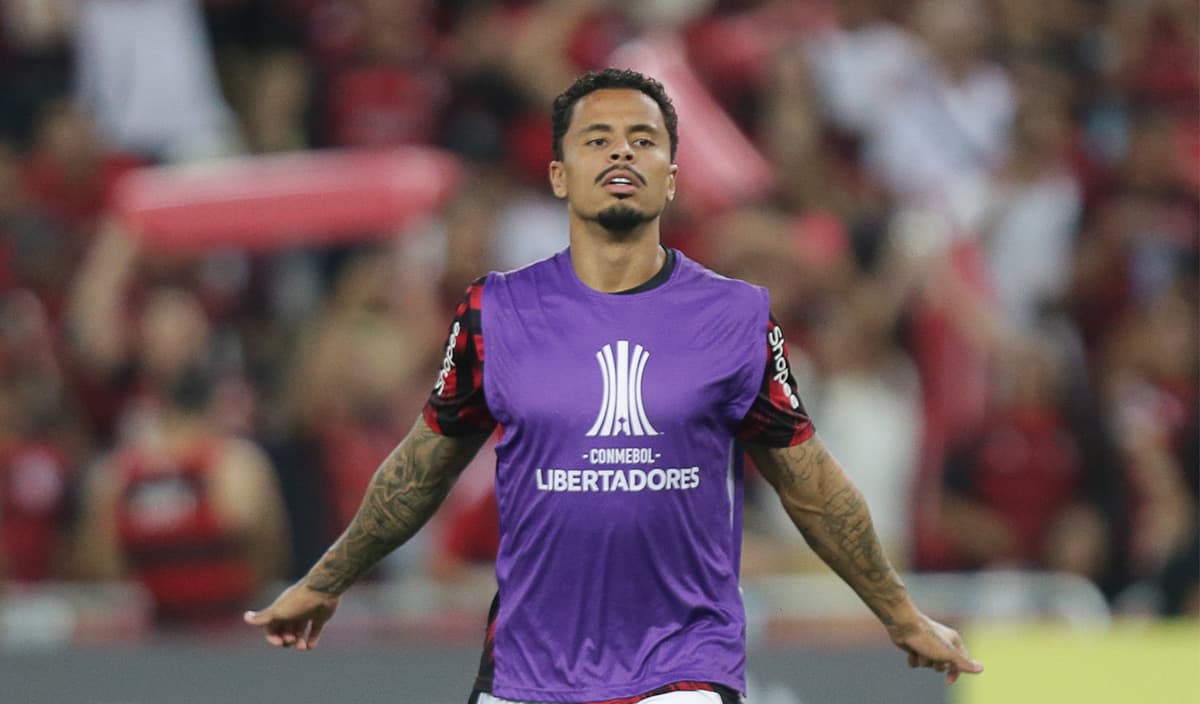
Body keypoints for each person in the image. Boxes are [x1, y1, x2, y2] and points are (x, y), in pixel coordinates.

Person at [244, 68, 983, 702]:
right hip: (529, 673)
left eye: (644, 138)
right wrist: (328, 578)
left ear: (672, 175)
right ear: (559, 174)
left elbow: (809, 481)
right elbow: (419, 468)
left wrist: (898, 611)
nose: (622, 151)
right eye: (596, 139)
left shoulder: (735, 316)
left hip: (681, 672)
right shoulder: (494, 313)